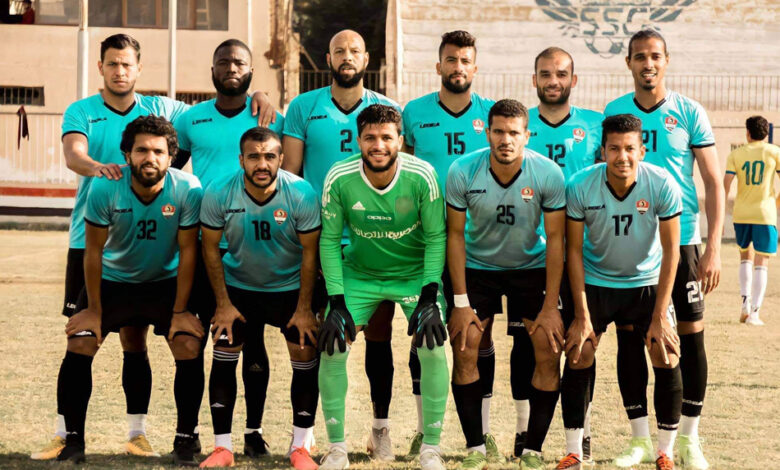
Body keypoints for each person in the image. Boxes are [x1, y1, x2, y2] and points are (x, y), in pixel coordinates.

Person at [31, 33, 278, 462]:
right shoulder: (83, 116)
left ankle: (172, 436)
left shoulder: (171, 125)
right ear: (101, 67)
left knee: (182, 340)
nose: (120, 71)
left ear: (139, 69)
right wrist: (100, 169)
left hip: (169, 265)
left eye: (127, 64)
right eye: (112, 63)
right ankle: (67, 436)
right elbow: (74, 157)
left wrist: (259, 93)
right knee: (86, 336)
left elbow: (222, 102)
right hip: (102, 254)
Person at [603, 30, 724, 469]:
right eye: (639, 57)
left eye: (655, 56)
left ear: (667, 60)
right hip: (632, 243)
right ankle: (639, 441)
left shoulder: (689, 112)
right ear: (629, 63)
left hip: (683, 239)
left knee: (688, 337)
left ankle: (689, 439)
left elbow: (712, 182)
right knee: (630, 337)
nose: (647, 64)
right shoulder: (615, 111)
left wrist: (713, 248)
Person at [55, 115, 204, 464]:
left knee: (187, 343)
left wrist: (181, 310)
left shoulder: (188, 188)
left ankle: (186, 440)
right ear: (127, 154)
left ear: (171, 156)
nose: (150, 158)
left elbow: (188, 251)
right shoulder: (105, 186)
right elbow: (93, 250)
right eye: (141, 150)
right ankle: (73, 441)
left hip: (164, 282)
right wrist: (93, 309)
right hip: (113, 282)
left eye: (158, 151)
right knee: (81, 341)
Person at [282, 29, 401, 461]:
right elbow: (291, 176)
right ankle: (310, 432)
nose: (346, 57)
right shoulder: (303, 107)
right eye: (338, 51)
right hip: (321, 239)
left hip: (373, 239)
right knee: (323, 338)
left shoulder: (386, 109)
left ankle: (380, 429)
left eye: (354, 51)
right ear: (328, 58)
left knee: (379, 335)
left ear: (366, 59)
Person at [317, 104, 449, 470]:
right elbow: (329, 240)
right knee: (332, 345)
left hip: (412, 274)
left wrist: (429, 294)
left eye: (387, 137)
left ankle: (431, 449)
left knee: (434, 345)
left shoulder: (422, 175)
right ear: (358, 140)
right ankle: (337, 449)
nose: (379, 145)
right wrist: (336, 301)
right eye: (370, 137)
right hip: (360, 274)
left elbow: (436, 237)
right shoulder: (339, 176)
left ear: (400, 141)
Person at [173, 38, 285, 458]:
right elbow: (170, 169)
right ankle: (187, 434)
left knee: (251, 341)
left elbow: (286, 176)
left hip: (250, 248)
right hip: (205, 245)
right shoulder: (191, 119)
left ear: (252, 71)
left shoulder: (270, 118)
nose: (232, 68)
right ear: (212, 70)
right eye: (223, 62)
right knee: (194, 342)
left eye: (240, 62)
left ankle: (254, 432)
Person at [445, 99, 566, 470]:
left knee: (547, 347)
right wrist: (460, 302)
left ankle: (532, 451)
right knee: (465, 345)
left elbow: (557, 239)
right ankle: (475, 449)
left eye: (514, 132)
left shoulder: (548, 173)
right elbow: (454, 235)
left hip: (530, 268)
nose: (505, 139)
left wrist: (550, 306)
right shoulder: (462, 170)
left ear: (527, 135)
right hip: (478, 268)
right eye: (498, 131)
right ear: (486, 132)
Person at [561, 114, 683, 470]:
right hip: (597, 282)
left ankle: (664, 451)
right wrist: (582, 315)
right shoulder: (581, 185)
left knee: (665, 352)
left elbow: (672, 250)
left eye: (630, 148)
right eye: (614, 148)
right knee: (579, 351)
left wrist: (660, 315)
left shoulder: (661, 183)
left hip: (645, 284)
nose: (622, 156)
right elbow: (572, 250)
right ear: (603, 151)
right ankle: (574, 450)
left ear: (642, 151)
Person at [401, 30, 498, 461]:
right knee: (423, 332)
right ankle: (424, 430)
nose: (458, 67)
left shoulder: (491, 113)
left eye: (465, 61)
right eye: (451, 60)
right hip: (423, 241)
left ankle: (485, 430)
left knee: (478, 335)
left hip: (475, 243)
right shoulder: (414, 112)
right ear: (438, 66)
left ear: (475, 68)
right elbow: (403, 171)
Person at [198, 127, 320, 469]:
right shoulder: (219, 191)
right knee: (224, 348)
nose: (261, 164)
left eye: (269, 156)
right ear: (241, 160)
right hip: (239, 287)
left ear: (281, 158)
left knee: (304, 349)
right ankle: (222, 448)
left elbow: (310, 254)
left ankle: (300, 447)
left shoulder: (301, 193)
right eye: (253, 157)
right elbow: (210, 248)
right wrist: (223, 304)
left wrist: (304, 308)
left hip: (289, 289)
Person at [522, 46, 604, 461]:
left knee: (581, 346)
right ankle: (525, 433)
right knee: (532, 347)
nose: (553, 81)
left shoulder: (595, 124)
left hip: (584, 254)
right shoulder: (519, 125)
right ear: (534, 80)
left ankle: (581, 432)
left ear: (574, 80)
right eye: (545, 74)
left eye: (560, 74)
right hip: (533, 254)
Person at [723, 115, 780, 326]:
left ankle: (745, 304)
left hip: (741, 213)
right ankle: (755, 313)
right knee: (762, 261)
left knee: (745, 256)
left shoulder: (736, 154)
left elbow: (725, 185)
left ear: (747, 133)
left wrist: (722, 212)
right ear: (766, 134)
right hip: (765, 213)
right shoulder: (774, 152)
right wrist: (775, 203)